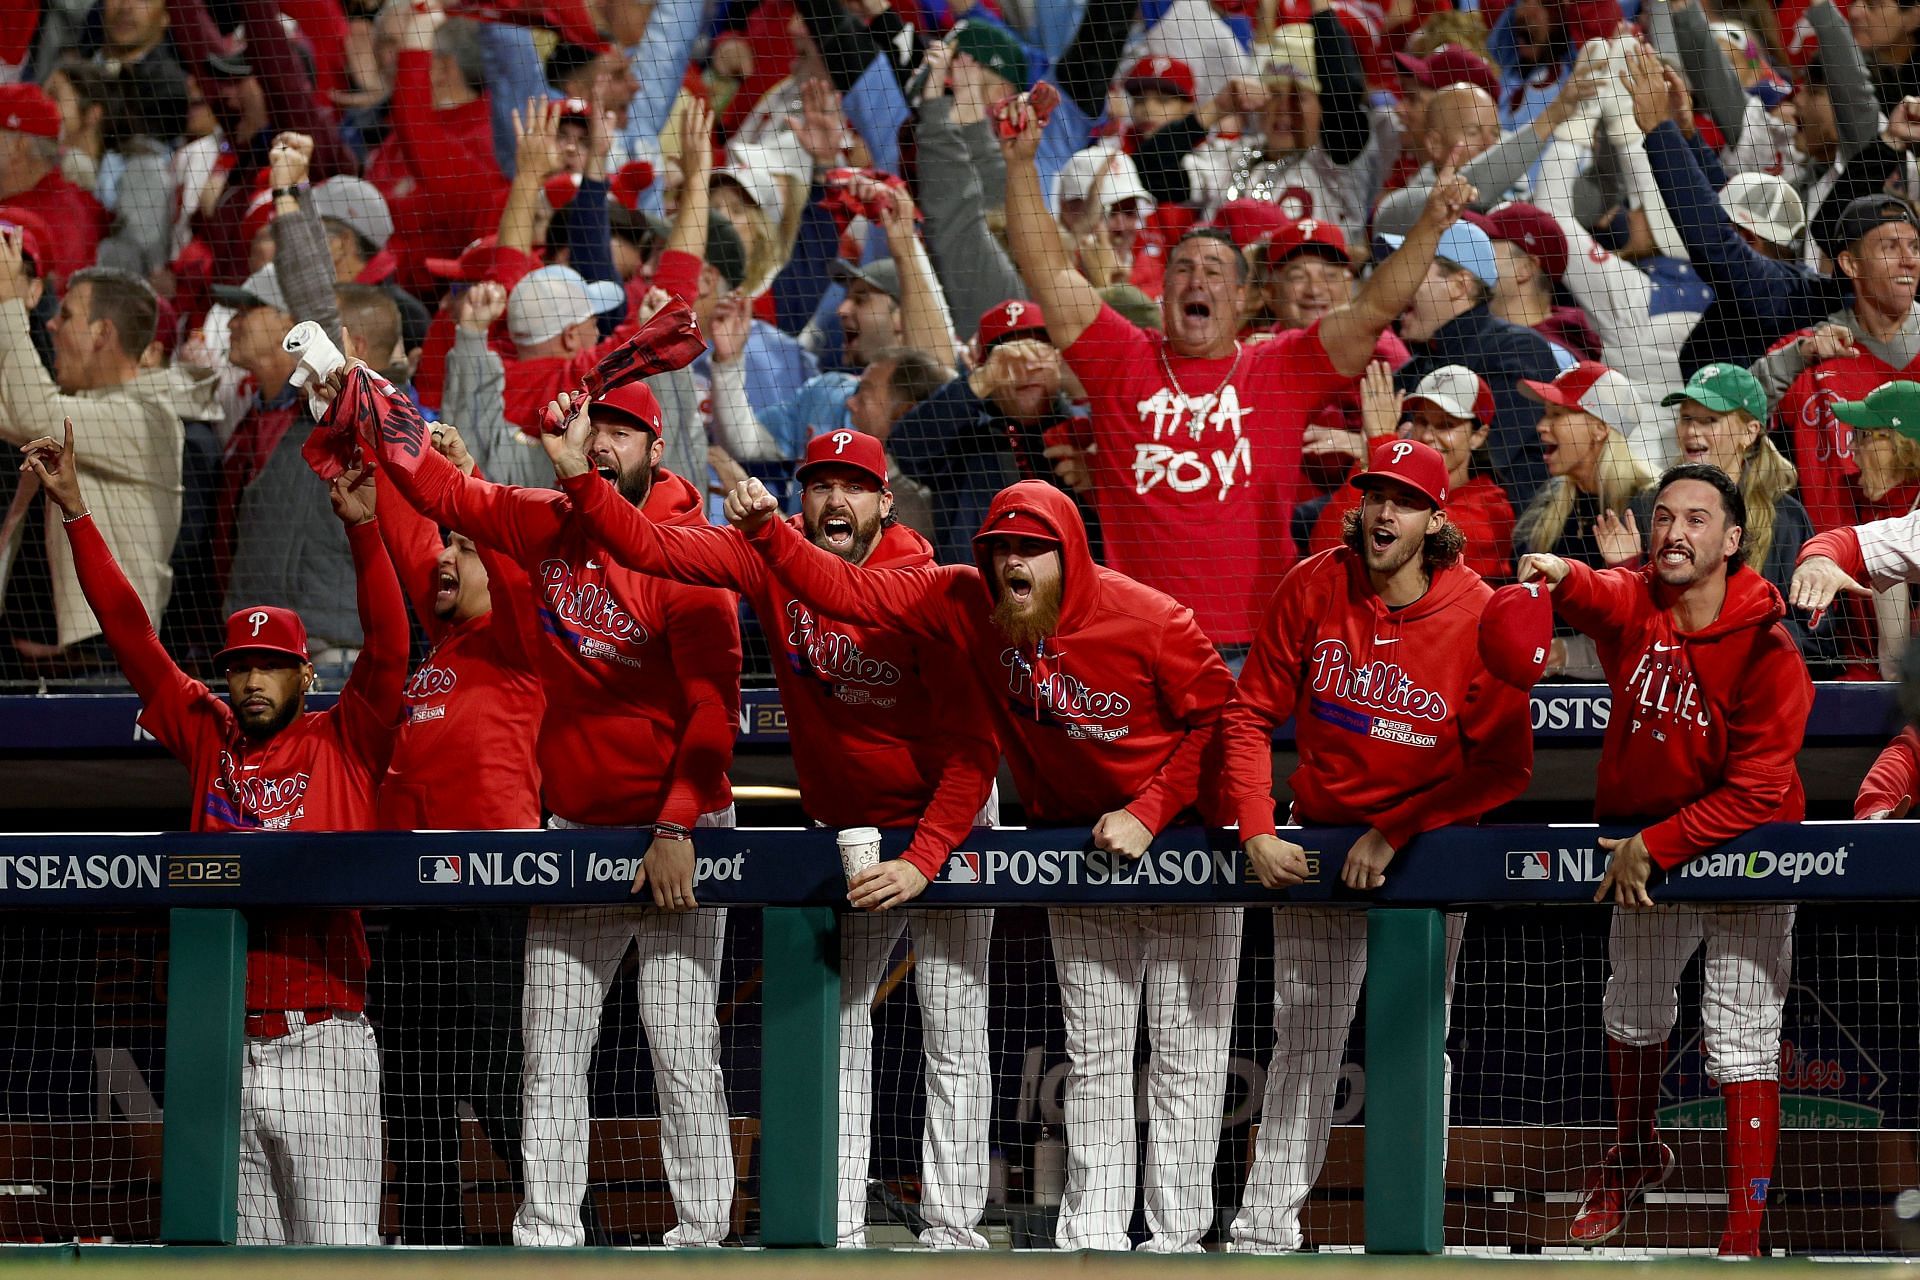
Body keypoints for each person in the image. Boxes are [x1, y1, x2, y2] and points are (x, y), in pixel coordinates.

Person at [724, 473, 1236, 1253]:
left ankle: (1176, 1241)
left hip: (1192, 843)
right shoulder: (970, 605)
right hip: (1081, 846)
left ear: (1071, 556)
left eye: (1031, 548)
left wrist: (1150, 812)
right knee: (1097, 1058)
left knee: (1185, 1057)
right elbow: (852, 594)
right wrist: (768, 536)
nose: (1011, 563)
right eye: (1000, 549)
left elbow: (1225, 721)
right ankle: (1093, 1238)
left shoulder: (1150, 618)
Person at [542, 424, 1000, 1250]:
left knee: (954, 1021)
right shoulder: (767, 558)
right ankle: (836, 1220)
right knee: (837, 1021)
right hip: (853, 828)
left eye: (854, 485)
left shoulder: (922, 583)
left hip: (949, 816)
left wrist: (926, 859)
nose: (835, 499)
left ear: (884, 501)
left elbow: (974, 755)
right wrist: (576, 466)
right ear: (801, 496)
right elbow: (644, 542)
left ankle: (954, 1229)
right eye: (819, 484)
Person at [356, 375, 743, 1248]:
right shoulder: (547, 523)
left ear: (656, 450)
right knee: (552, 1048)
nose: (602, 444)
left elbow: (714, 713)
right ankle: (549, 1235)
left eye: (622, 434)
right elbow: (440, 491)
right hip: (574, 828)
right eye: (591, 430)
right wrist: (365, 396)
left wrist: (677, 827)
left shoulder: (692, 556)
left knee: (679, 1043)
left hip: (677, 828)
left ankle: (703, 1236)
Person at [21, 417, 405, 1245]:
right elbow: (132, 636)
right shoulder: (209, 736)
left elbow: (390, 643)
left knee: (339, 1261)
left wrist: (365, 529)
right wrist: (79, 513)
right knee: (237, 1261)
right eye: (239, 666)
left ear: (307, 672)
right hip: (223, 1043)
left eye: (269, 665)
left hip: (322, 1044)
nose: (252, 679)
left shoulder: (348, 735)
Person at [1001, 92, 1482, 655]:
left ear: (1242, 296)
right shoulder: (1120, 357)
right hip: (1137, 639)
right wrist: (1018, 163)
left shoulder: (1282, 367)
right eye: (1182, 268)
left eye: (1212, 270)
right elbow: (1048, 270)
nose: (1196, 279)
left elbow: (1372, 307)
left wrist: (1430, 225)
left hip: (1253, 646)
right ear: (1164, 294)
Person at [1222, 438, 1534, 1253]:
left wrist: (1396, 830)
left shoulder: (1480, 611)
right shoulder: (1316, 582)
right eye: (1374, 496)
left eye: (1403, 500)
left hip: (1426, 853)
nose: (1383, 512)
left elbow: (1506, 768)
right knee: (1306, 1039)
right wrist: (1256, 822)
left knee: (1411, 1042)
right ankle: (1262, 1233)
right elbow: (1249, 713)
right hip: (1322, 843)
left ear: (1437, 518)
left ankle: (1410, 1228)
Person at [1518, 463, 1814, 1259]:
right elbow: (1596, 593)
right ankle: (1636, 1151)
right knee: (1634, 1008)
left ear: (1732, 539)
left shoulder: (1768, 647)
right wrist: (1559, 570)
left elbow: (1756, 793)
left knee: (1741, 1038)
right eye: (1664, 519)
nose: (1675, 532)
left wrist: (1654, 844)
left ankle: (1743, 1236)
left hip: (1747, 856)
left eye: (1695, 520)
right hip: (1647, 848)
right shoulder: (1638, 597)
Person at [367, 415, 543, 1244]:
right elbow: (412, 542)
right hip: (407, 902)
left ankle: (556, 1234)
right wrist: (373, 446)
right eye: (447, 549)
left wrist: (468, 494)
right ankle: (430, 1244)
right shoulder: (436, 648)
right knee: (412, 1094)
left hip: (491, 893)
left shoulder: (518, 639)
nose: (446, 558)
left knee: (503, 1084)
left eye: (461, 551)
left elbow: (509, 565)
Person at [0, 232, 180, 671]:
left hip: (116, 657)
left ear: (102, 333)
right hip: (73, 655)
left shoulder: (148, 417)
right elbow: (14, 407)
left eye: (67, 315)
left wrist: (8, 304)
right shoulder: (88, 408)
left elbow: (32, 411)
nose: (52, 325)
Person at [1310, 365, 1517, 582]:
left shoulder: (1491, 510)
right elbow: (1325, 550)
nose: (1427, 436)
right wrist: (1375, 455)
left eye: (1445, 425)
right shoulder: (1383, 469)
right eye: (1422, 421)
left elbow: (1408, 550)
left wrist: (1381, 442)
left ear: (1478, 436)